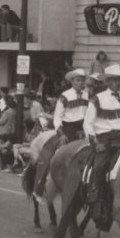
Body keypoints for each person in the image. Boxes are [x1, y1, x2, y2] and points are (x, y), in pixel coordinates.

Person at [83, 64, 120, 226]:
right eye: (114, 80)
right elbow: (88, 124)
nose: (118, 83)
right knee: (100, 166)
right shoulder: (98, 98)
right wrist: (95, 144)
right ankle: (95, 192)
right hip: (104, 140)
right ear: (107, 81)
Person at [33, 69, 90, 198]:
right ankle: (40, 186)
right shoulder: (65, 96)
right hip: (68, 128)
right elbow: (57, 117)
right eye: (78, 80)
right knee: (51, 153)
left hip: (83, 127)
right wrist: (61, 133)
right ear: (72, 82)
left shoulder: (88, 95)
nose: (81, 83)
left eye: (82, 80)